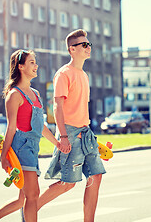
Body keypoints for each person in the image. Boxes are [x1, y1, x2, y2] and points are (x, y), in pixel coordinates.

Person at [0, 49, 66, 222]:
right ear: (21, 67)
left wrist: (56, 143)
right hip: (21, 148)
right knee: (33, 195)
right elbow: (11, 128)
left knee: (23, 199)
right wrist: (4, 156)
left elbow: (40, 126)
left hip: (33, 148)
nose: (36, 66)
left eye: (35, 62)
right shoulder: (14, 95)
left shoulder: (36, 94)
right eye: (32, 62)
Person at [37, 29, 106, 222]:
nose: (88, 47)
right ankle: (30, 209)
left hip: (86, 133)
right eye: (84, 45)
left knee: (96, 176)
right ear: (71, 49)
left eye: (88, 44)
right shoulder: (63, 74)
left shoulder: (83, 75)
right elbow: (57, 106)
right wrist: (64, 136)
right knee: (67, 183)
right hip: (71, 133)